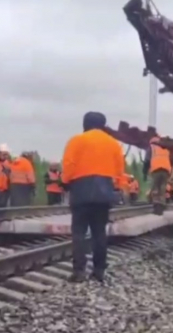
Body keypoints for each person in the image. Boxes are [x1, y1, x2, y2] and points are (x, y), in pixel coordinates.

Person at [62, 111, 127, 283]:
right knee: (99, 233)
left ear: (85, 124)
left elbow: (69, 164)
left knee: (79, 232)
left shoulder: (76, 140)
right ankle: (99, 271)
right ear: (103, 125)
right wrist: (118, 189)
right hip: (104, 191)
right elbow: (120, 170)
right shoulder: (113, 144)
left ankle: (79, 271)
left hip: (81, 190)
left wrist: (66, 182)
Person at [143, 136, 172, 215]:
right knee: (162, 189)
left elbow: (147, 161)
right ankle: (162, 207)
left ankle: (156, 208)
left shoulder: (152, 148)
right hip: (166, 171)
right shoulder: (166, 151)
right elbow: (171, 162)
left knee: (155, 188)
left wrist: (144, 173)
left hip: (156, 170)